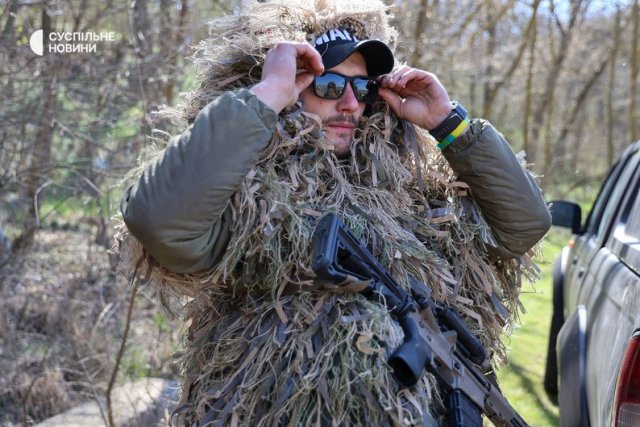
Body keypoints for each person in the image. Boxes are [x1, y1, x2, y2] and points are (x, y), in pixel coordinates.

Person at [118, 2, 550, 425]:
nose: (349, 104)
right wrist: (266, 95)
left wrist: (447, 122)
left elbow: (524, 226)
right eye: (327, 85)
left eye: (362, 89)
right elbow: (159, 221)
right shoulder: (256, 201)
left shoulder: (411, 196)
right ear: (292, 88)